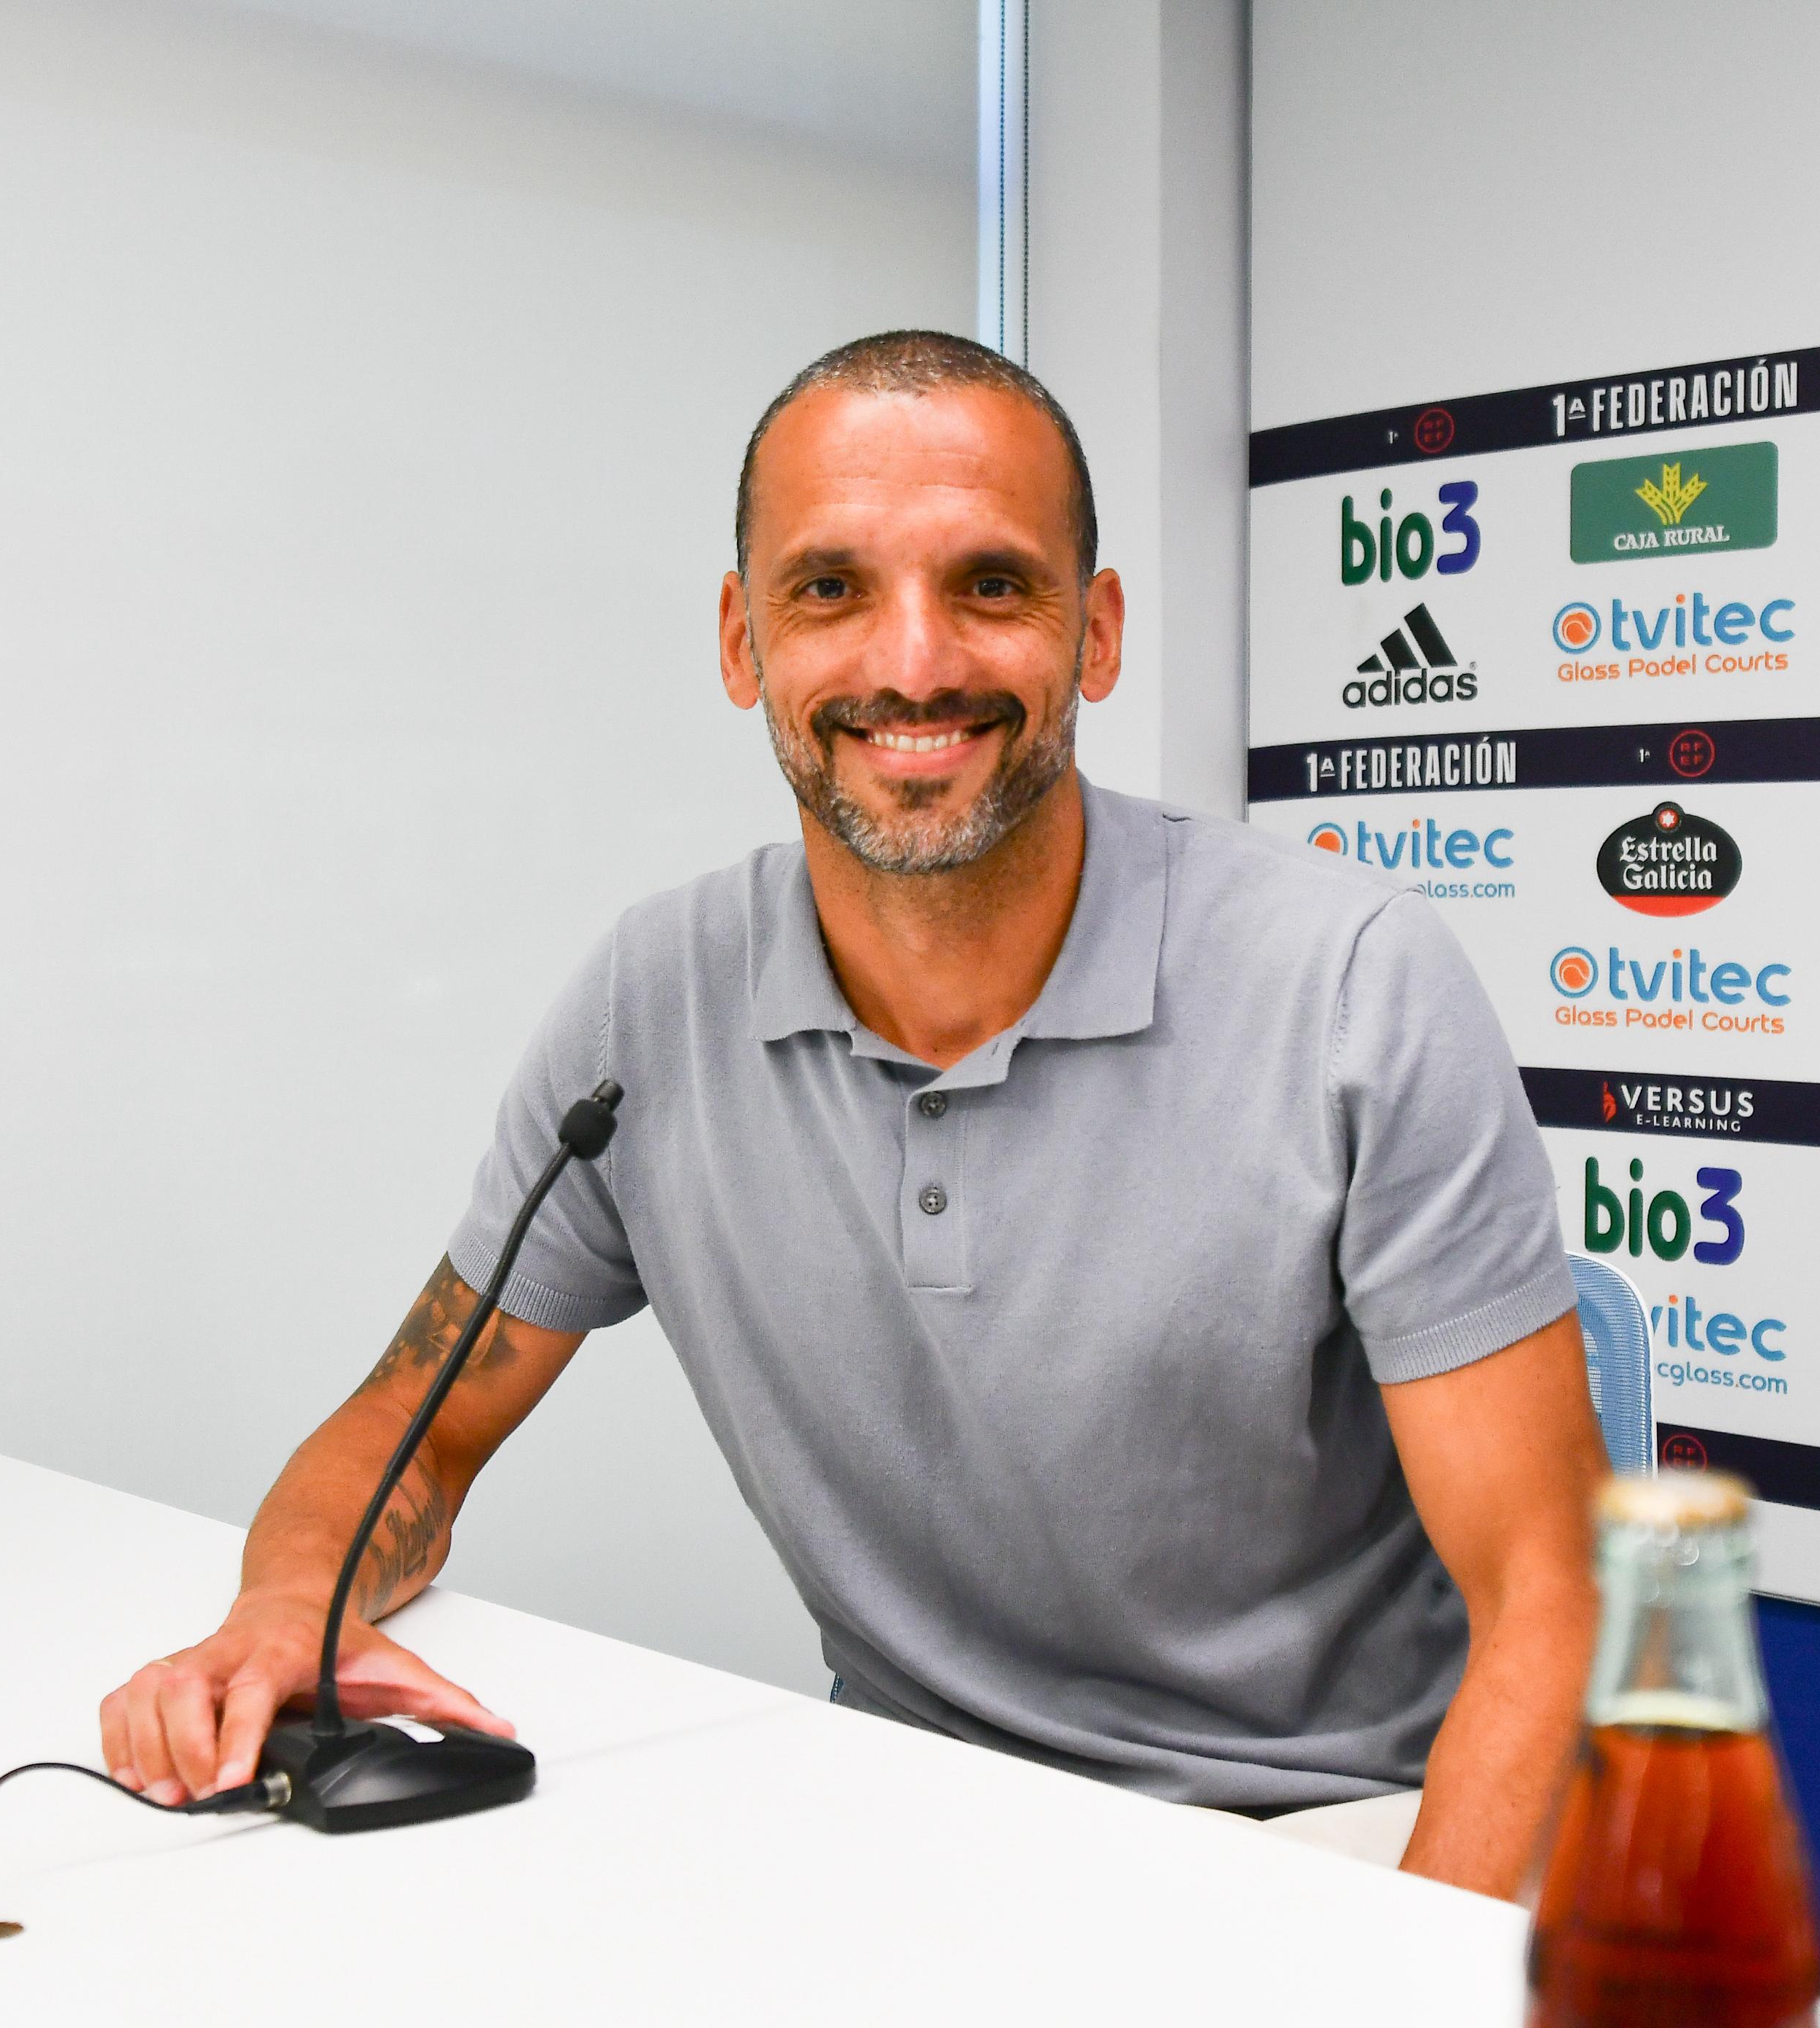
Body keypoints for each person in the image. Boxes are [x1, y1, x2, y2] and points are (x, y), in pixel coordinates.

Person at [100, 331, 1606, 1895]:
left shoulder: (1353, 986)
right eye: (829, 591)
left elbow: (1552, 1599)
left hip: (1330, 1838)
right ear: (743, 643)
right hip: (895, 1824)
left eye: (991, 586)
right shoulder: (648, 1002)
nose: (912, 664)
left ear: (1094, 634)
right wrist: (290, 1613)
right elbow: (409, 1432)